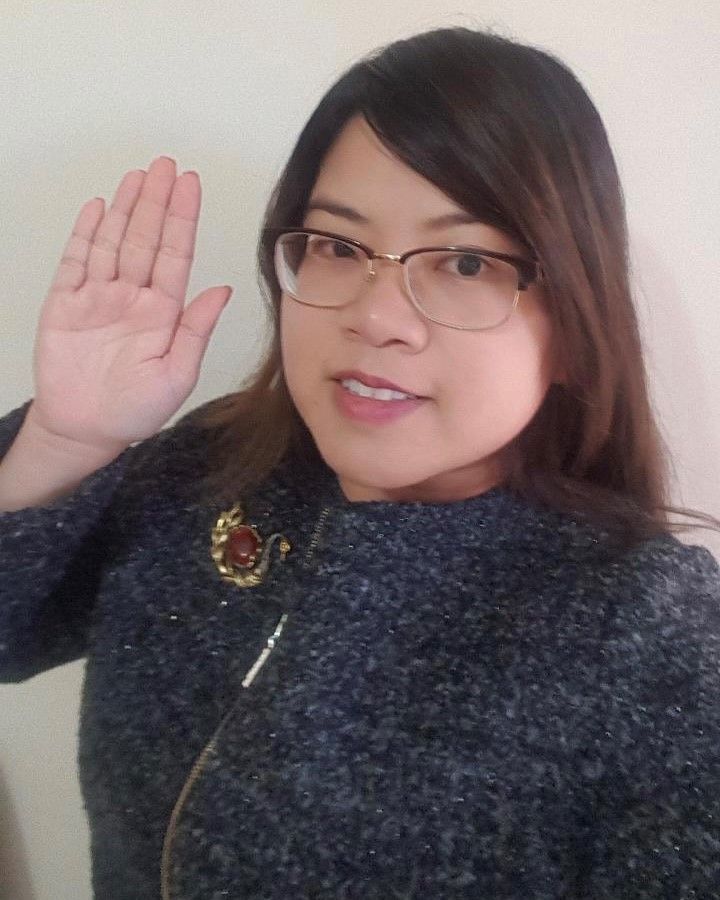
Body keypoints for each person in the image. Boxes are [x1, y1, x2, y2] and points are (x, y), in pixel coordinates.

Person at [1, 24, 719, 900]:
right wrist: (66, 442)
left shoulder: (654, 635)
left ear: (574, 325)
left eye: (465, 260)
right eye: (339, 247)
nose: (379, 317)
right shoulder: (211, 468)